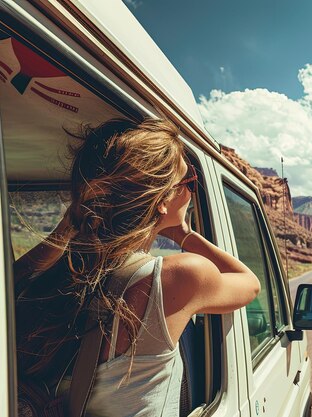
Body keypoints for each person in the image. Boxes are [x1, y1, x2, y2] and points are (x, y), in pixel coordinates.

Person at [14, 118, 261, 417]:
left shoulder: (52, 277)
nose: (192, 193)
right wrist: (184, 234)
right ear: (162, 200)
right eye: (188, 183)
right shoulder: (179, 276)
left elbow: (13, 278)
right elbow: (249, 283)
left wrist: (66, 229)